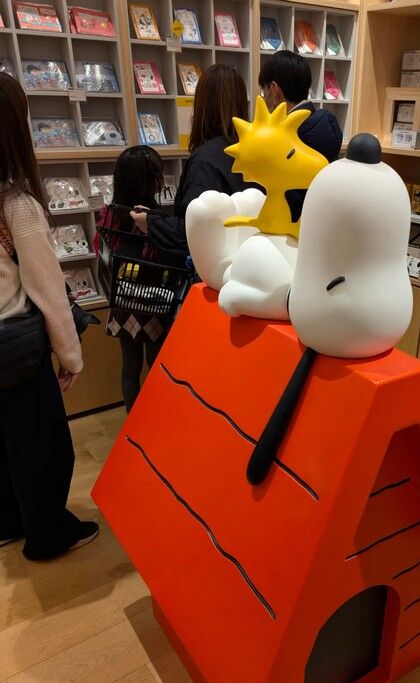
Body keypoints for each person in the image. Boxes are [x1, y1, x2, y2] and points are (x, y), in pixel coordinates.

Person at [0, 73, 98, 559]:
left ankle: (9, 521)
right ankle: (48, 534)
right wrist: (71, 356)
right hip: (16, 348)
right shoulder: (16, 206)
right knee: (43, 446)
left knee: (6, 445)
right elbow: (48, 293)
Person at [131, 64, 252, 253]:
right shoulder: (255, 149)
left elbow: (195, 231)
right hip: (250, 256)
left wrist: (151, 223)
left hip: (216, 263)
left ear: (203, 104)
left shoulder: (205, 160)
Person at [93, 145, 168, 413]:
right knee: (157, 364)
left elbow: (100, 246)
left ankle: (132, 422)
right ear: (150, 180)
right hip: (155, 302)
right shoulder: (153, 217)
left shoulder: (111, 214)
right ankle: (159, 419)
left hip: (123, 300)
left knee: (130, 367)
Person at [258, 50, 343, 221]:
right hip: (319, 223)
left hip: (286, 228)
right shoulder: (325, 126)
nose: (263, 97)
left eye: (263, 90)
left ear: (274, 90)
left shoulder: (281, 138)